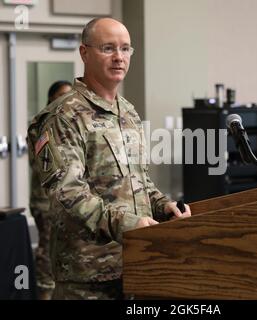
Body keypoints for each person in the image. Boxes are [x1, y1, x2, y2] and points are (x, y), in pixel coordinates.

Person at [27, 18, 191, 300]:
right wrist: (126, 224)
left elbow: (141, 182)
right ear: (84, 53)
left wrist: (164, 207)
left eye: (125, 49)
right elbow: (68, 194)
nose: (119, 57)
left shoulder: (127, 112)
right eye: (108, 48)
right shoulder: (62, 117)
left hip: (137, 265)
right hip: (88, 277)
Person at [29, 80, 72, 300]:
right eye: (61, 95)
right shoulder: (43, 125)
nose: (66, 99)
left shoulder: (69, 122)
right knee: (46, 249)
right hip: (45, 202)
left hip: (66, 203)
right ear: (51, 99)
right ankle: (44, 292)